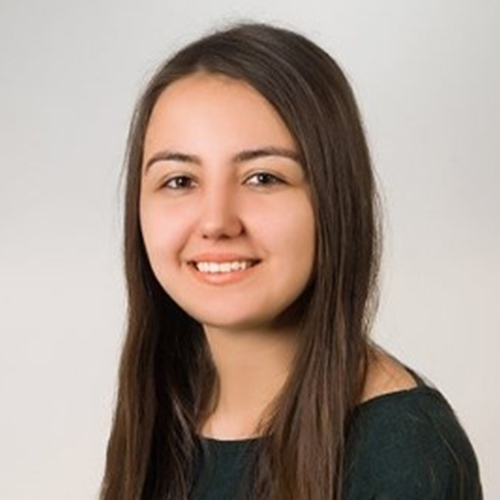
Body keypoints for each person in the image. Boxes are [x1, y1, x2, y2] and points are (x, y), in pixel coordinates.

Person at [99, 22, 483, 500]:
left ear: (334, 199)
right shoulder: (165, 409)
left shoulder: (404, 453)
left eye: (263, 178)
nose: (216, 221)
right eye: (179, 181)